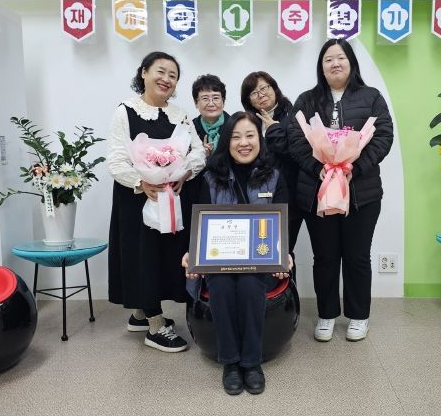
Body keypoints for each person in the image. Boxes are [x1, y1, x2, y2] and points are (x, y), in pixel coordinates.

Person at [288, 38, 394, 342]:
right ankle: (327, 314)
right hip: (318, 192)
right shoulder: (307, 100)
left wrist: (353, 169)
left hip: (361, 193)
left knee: (357, 256)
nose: (335, 63)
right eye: (328, 59)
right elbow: (296, 138)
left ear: (351, 63)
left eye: (341, 58)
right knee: (325, 257)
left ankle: (359, 316)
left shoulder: (371, 97)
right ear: (321, 67)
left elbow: (383, 137)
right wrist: (316, 168)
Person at [182, 111, 292, 395]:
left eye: (250, 135)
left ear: (260, 139)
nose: (244, 143)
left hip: (260, 261)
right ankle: (230, 362)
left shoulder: (274, 177)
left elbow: (282, 226)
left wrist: (285, 253)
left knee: (249, 283)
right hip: (221, 262)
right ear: (227, 142)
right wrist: (192, 253)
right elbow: (201, 226)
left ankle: (251, 363)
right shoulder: (211, 178)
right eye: (236, 137)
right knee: (220, 285)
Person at [106, 51, 205, 352]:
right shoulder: (125, 111)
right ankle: (154, 326)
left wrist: (186, 172)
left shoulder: (180, 115)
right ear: (144, 73)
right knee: (143, 256)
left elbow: (197, 151)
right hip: (137, 199)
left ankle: (140, 314)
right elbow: (116, 159)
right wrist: (142, 182)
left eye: (173, 75)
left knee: (164, 256)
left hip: (171, 197)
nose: (166, 79)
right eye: (160, 71)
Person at [240, 72, 303, 265]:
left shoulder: (294, 116)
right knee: (257, 250)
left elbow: (297, 155)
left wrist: (274, 130)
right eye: (253, 93)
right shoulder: (248, 122)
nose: (260, 94)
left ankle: (286, 286)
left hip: (288, 195)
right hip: (255, 195)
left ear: (274, 88)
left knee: (283, 251)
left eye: (264, 88)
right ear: (248, 100)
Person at [191, 74, 230, 158]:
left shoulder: (235, 124)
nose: (211, 104)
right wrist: (200, 154)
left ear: (223, 101)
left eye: (216, 98)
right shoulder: (190, 128)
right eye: (205, 99)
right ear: (196, 103)